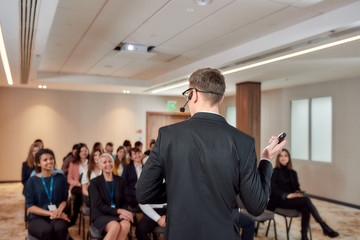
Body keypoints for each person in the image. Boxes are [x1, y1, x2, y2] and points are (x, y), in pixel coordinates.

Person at [136, 68, 286, 240]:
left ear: (194, 94)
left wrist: (179, 187)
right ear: (221, 98)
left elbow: (144, 193)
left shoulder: (167, 136)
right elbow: (256, 206)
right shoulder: (244, 142)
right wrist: (266, 160)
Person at [267, 149, 339, 240]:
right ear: (278, 158)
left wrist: (298, 193)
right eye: (281, 156)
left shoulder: (293, 173)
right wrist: (286, 195)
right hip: (280, 200)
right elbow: (273, 191)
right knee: (306, 200)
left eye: (285, 156)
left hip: (292, 200)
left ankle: (304, 236)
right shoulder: (274, 172)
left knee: (305, 210)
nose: (283, 158)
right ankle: (323, 226)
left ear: (289, 158)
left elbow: (296, 188)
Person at [25, 148, 70, 240]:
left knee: (61, 228)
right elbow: (30, 207)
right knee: (47, 231)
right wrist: (51, 213)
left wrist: (58, 211)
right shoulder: (31, 181)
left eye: (51, 158)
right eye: (45, 160)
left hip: (56, 215)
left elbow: (64, 200)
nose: (49, 161)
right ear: (38, 163)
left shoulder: (61, 178)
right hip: (37, 218)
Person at [89, 153, 133, 240]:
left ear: (113, 163)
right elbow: (99, 205)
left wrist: (124, 212)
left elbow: (124, 201)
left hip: (117, 214)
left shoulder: (120, 181)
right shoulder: (94, 183)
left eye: (110, 161)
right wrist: (119, 211)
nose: (108, 164)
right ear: (100, 166)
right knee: (115, 226)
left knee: (126, 225)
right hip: (100, 215)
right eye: (105, 162)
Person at [67, 143, 89, 226]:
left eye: (85, 150)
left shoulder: (91, 163)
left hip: (87, 186)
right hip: (76, 186)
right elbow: (69, 179)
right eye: (81, 151)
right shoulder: (73, 163)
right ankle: (74, 218)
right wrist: (79, 184)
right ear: (78, 153)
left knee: (84, 192)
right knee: (80, 193)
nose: (84, 152)